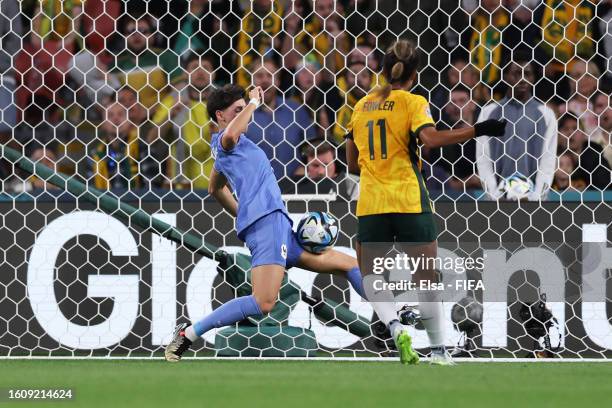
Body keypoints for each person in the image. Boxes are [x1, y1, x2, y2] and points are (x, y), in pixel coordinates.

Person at [164, 85, 369, 363]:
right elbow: (230, 137)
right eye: (236, 111)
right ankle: (189, 333)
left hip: (280, 227)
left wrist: (243, 212)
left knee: (350, 264)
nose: (244, 115)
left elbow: (215, 189)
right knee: (263, 302)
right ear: (220, 116)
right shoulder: (227, 140)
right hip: (267, 227)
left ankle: (389, 319)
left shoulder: (232, 149)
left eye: (243, 110)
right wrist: (252, 103)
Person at [345, 40, 506, 365]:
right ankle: (438, 350)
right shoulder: (412, 101)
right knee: (425, 277)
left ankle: (394, 327)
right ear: (414, 73)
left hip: (371, 201)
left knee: (372, 276)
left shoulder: (361, 105)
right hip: (407, 198)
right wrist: (478, 129)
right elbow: (430, 138)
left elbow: (351, 165)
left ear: (382, 68)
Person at [476, 52, 558, 200]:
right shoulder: (488, 113)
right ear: (505, 76)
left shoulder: (546, 114)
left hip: (534, 199)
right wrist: (494, 194)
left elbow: (548, 160)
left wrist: (537, 197)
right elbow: (483, 158)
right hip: (498, 199)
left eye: (527, 74)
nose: (522, 79)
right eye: (516, 74)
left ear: (534, 78)